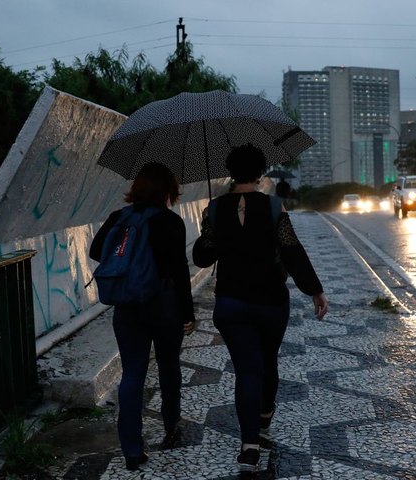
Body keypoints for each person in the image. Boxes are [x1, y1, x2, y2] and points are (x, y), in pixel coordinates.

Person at [192, 144, 329, 472]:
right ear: (259, 172)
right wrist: (315, 290)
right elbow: (292, 251)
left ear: (231, 171)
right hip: (269, 301)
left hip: (230, 303)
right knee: (267, 363)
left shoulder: (214, 208)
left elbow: (202, 258)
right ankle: (265, 414)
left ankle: (249, 446)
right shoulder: (273, 207)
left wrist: (208, 230)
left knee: (246, 371)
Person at [89, 162, 196, 471]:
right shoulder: (170, 222)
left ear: (136, 189)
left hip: (127, 307)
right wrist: (187, 313)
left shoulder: (118, 218)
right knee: (168, 365)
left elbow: (98, 251)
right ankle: (171, 423)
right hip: (163, 305)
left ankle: (132, 450)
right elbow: (179, 272)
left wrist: (129, 258)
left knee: (132, 374)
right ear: (168, 191)